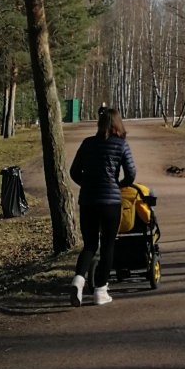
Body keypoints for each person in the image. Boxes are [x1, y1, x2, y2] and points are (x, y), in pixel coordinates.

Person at [68, 107, 136, 307]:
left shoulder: (87, 143)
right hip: (110, 203)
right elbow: (131, 174)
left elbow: (73, 171)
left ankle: (78, 281)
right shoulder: (121, 145)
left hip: (88, 201)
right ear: (117, 124)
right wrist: (118, 186)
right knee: (108, 245)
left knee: (89, 245)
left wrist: (88, 184)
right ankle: (100, 290)